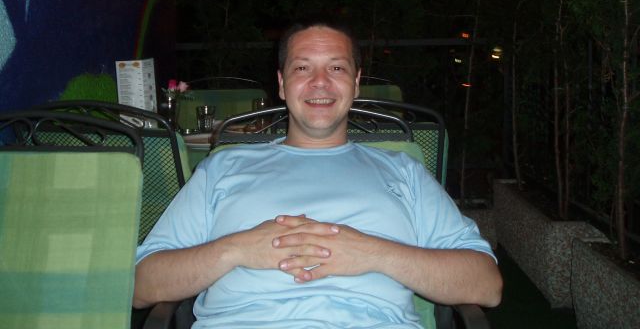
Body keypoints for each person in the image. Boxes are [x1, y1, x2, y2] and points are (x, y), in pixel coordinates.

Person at [133, 21, 502, 328]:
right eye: (302, 68)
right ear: (281, 84)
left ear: (356, 83)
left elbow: (485, 284)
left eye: (336, 68)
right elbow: (142, 285)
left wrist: (375, 254)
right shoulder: (223, 167)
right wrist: (236, 249)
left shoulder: (403, 171)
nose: (320, 82)